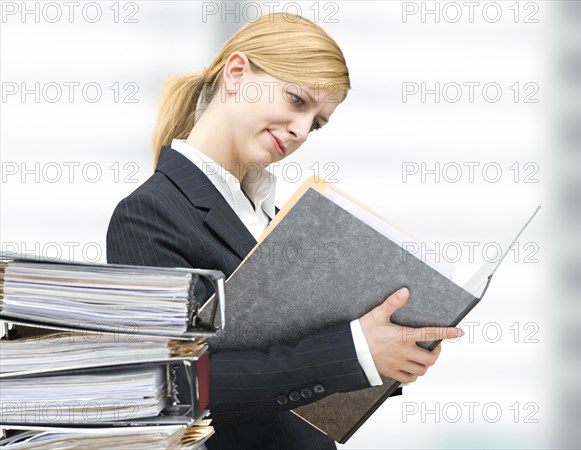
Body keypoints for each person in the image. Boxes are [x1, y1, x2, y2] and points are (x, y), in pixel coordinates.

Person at [106, 13, 463, 450]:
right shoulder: (148, 214)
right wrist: (352, 352)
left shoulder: (272, 218)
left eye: (316, 123)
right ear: (237, 74)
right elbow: (173, 388)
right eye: (297, 101)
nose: (301, 131)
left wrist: (385, 356)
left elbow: (287, 368)